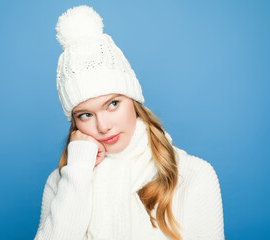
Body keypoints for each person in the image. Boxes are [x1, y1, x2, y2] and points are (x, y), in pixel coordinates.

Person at [34, 5, 224, 240]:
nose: (103, 126)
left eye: (113, 104)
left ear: (133, 101)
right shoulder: (62, 181)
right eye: (85, 115)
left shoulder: (194, 174)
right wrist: (78, 173)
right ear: (74, 123)